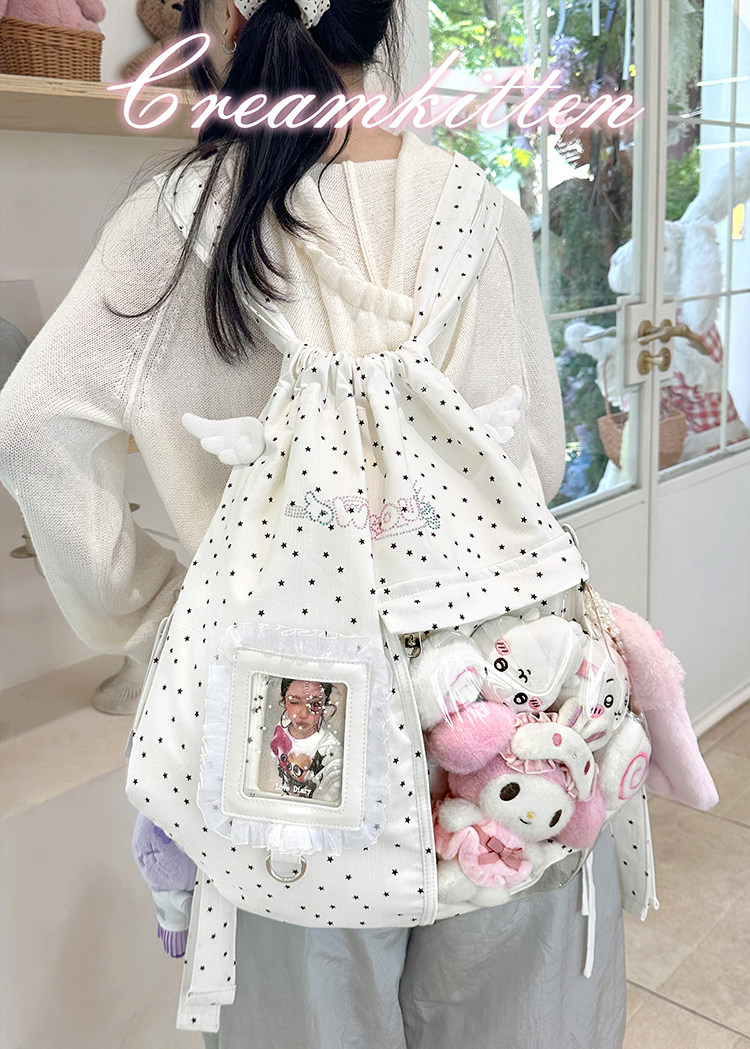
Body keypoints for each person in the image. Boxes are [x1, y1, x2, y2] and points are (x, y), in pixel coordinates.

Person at [0, 0, 627, 1046]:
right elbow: (539, 462)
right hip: (509, 709)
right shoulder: (479, 209)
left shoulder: (175, 221)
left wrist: (151, 609)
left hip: (288, 718)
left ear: (227, 15)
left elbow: (31, 433)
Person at [269, 678, 343, 802]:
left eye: (315, 704)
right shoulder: (280, 730)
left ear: (324, 705)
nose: (303, 714)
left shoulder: (330, 752)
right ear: (284, 701)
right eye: (294, 702)